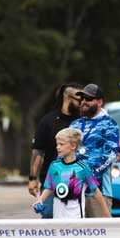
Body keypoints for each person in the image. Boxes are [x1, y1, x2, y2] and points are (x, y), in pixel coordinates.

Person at [33, 128, 111, 218]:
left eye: (61, 144)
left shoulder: (83, 168)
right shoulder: (54, 166)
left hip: (76, 218)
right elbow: (50, 187)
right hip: (58, 218)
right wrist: (40, 200)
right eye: (57, 144)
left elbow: (96, 191)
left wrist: (106, 213)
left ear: (73, 146)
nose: (57, 147)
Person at [29, 83, 81, 218]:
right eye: (79, 99)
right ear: (67, 98)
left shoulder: (82, 122)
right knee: (49, 219)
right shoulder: (48, 121)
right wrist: (32, 178)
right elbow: (38, 151)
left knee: (76, 220)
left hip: (77, 180)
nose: (82, 102)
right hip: (51, 180)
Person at [69, 84, 120, 218]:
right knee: (75, 230)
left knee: (100, 230)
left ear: (99, 102)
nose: (84, 102)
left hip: (98, 190)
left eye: (88, 99)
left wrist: (88, 175)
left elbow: (110, 155)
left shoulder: (110, 124)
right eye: (82, 99)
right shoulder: (74, 124)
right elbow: (65, 152)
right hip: (73, 189)